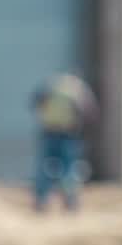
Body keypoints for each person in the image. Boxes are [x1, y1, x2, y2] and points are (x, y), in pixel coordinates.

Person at [31, 72, 98, 212]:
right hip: (69, 134)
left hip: (49, 132)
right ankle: (70, 203)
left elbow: (35, 103)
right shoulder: (77, 90)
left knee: (44, 168)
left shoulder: (51, 87)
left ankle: (41, 202)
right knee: (69, 169)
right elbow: (89, 111)